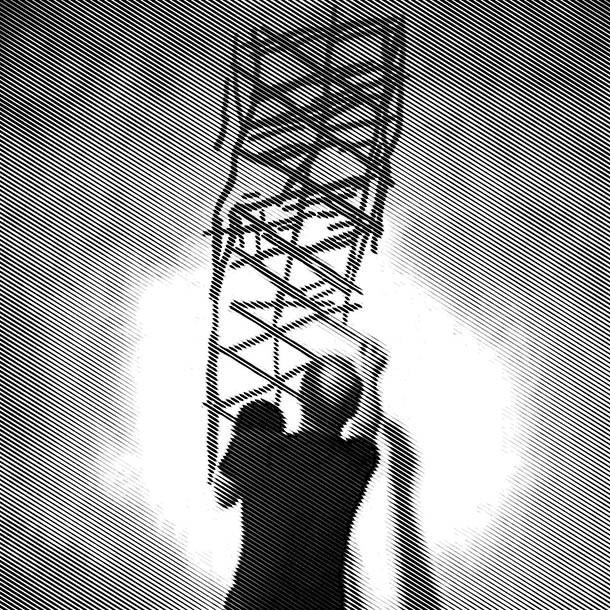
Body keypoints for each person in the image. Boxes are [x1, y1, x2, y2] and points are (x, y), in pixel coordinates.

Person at [214, 337, 388, 610]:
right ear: (352, 410)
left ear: (301, 396)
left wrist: (247, 431)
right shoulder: (354, 461)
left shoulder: (257, 446)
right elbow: (367, 428)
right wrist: (370, 376)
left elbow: (222, 497)